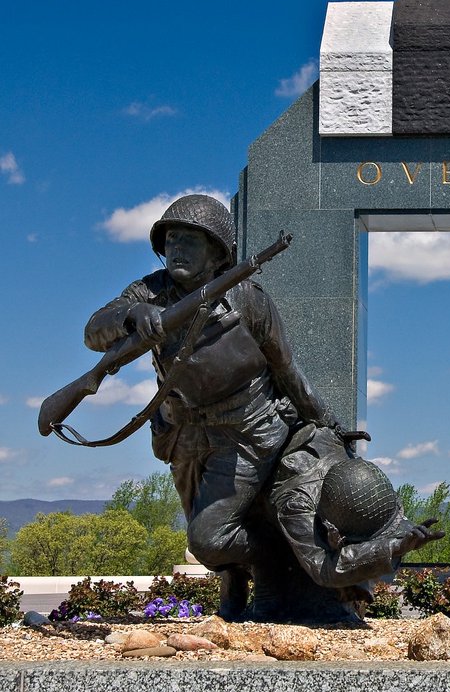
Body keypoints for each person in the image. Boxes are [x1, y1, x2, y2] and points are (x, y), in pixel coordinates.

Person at [84, 193, 341, 617]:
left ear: (217, 252)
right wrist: (132, 316)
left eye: (189, 240)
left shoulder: (249, 299)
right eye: (171, 240)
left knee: (207, 538)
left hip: (246, 431)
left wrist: (325, 421)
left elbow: (287, 369)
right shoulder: (148, 290)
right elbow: (94, 332)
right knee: (203, 531)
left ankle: (271, 558)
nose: (176, 249)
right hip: (181, 433)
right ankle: (234, 588)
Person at [254, 425, 443, 621]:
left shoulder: (348, 464)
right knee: (301, 603)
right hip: (259, 528)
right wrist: (393, 546)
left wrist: (404, 540)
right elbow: (323, 568)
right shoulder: (295, 507)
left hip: (316, 502)